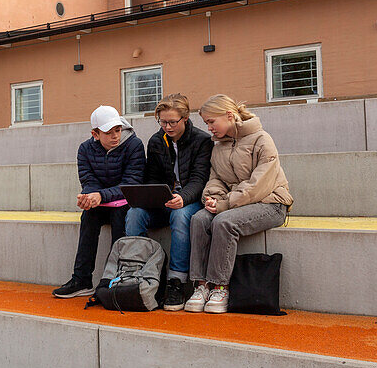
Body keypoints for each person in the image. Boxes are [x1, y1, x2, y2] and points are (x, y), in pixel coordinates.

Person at [185, 94, 292, 313]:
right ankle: (201, 285)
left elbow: (259, 184)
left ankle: (220, 286)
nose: (209, 128)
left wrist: (225, 204)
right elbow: (215, 178)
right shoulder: (218, 147)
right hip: (236, 203)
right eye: (206, 123)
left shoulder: (262, 139)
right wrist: (213, 198)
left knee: (224, 222)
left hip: (271, 203)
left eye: (211, 122)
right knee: (199, 218)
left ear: (229, 115)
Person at [124, 93, 212, 311]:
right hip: (164, 200)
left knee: (180, 215)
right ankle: (138, 274)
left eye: (173, 122)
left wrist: (183, 198)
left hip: (190, 199)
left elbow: (200, 179)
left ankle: (176, 281)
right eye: (163, 122)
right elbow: (152, 177)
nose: (168, 127)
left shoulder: (201, 140)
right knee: (134, 213)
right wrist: (153, 195)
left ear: (185, 118)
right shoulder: (156, 141)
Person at [52, 105, 145, 298]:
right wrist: (87, 197)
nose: (115, 136)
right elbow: (88, 180)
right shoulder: (85, 149)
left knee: (121, 216)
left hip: (126, 201)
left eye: (118, 130)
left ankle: (112, 278)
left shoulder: (134, 145)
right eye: (108, 132)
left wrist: (100, 195)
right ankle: (82, 279)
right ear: (95, 133)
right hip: (101, 202)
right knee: (88, 216)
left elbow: (131, 183)